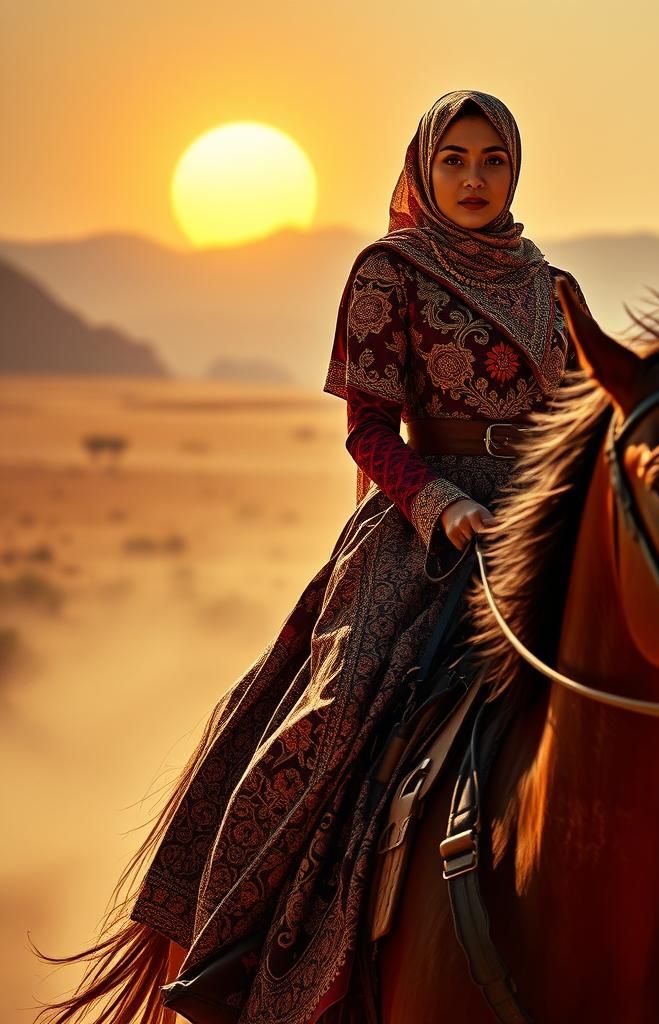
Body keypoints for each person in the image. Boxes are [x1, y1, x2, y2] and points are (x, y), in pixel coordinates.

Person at [32, 89, 590, 1024]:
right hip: (427, 529)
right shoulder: (389, 272)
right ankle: (236, 959)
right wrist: (441, 504)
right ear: (424, 166)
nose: (474, 177)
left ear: (516, 168)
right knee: (325, 724)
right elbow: (369, 430)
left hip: (545, 520)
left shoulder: (555, 287)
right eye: (454, 158)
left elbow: (584, 421)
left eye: (492, 159)